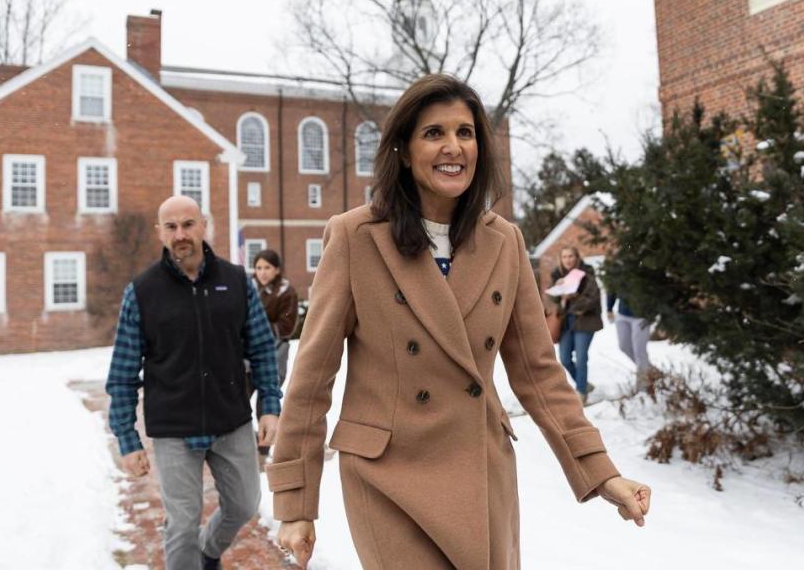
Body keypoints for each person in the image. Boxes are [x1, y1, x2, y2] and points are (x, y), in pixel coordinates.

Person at [267, 74, 651, 569]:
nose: (454, 147)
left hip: (481, 469)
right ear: (404, 149)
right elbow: (312, 377)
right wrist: (296, 504)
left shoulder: (505, 242)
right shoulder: (355, 237)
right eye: (434, 133)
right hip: (387, 477)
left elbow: (539, 372)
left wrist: (601, 472)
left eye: (465, 133)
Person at [105, 195, 282, 570]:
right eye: (171, 226)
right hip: (174, 428)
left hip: (230, 419)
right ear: (160, 232)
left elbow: (264, 348)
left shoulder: (236, 282)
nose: (181, 234)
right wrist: (127, 439)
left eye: (188, 224)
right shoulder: (141, 293)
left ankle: (208, 550)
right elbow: (122, 373)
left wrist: (269, 405)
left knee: (244, 505)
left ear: (204, 225)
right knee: (181, 524)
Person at [548, 247, 604, 405]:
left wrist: (574, 297)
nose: (567, 260)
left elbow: (592, 297)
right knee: (564, 359)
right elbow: (553, 299)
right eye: (564, 256)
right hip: (565, 322)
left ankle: (581, 392)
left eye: (570, 256)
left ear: (577, 257)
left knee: (581, 357)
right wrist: (560, 294)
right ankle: (584, 384)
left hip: (585, 320)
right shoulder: (557, 274)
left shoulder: (587, 272)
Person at [252, 249, 299, 386]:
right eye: (258, 268)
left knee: (267, 403)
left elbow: (287, 327)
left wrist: (256, 327)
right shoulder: (247, 289)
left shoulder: (286, 293)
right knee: (238, 401)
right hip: (247, 355)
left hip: (274, 353)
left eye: (267, 267)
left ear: (277, 270)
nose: (262, 272)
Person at [606, 290, 653, 392]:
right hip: (623, 314)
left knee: (639, 351)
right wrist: (609, 308)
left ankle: (642, 388)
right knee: (624, 346)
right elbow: (612, 286)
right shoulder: (619, 273)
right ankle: (651, 370)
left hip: (642, 316)